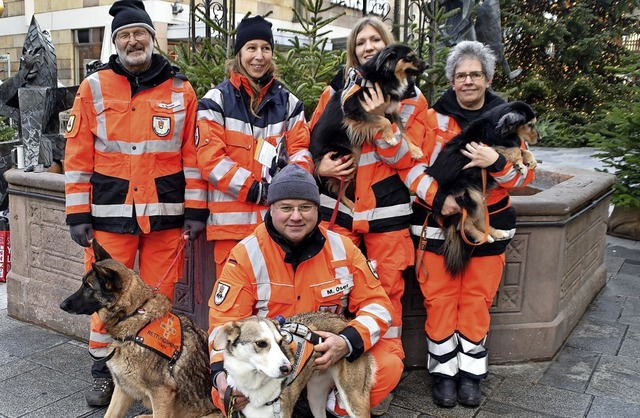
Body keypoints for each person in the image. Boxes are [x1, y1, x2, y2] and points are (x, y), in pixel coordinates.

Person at [64, 0, 208, 407]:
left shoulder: (182, 90)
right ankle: (104, 373)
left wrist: (196, 211)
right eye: (124, 35)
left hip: (165, 215)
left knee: (158, 301)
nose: (133, 41)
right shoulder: (94, 87)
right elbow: (77, 154)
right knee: (103, 299)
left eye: (139, 33)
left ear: (151, 38)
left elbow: (192, 157)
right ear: (117, 42)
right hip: (109, 214)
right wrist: (77, 213)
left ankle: (157, 369)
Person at [207, 163, 402, 417]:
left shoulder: (343, 248)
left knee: (388, 365)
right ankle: (286, 403)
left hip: (326, 356)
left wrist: (346, 342)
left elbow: (378, 306)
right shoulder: (246, 254)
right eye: (286, 208)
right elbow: (223, 327)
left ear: (317, 210)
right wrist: (222, 381)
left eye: (305, 207)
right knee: (224, 393)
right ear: (272, 209)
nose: (296, 216)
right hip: (270, 362)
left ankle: (332, 407)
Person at [404, 40, 536, 407]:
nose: (468, 82)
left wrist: (496, 161)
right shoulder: (431, 118)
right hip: (437, 225)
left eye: (475, 74)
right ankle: (444, 373)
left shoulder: (509, 117)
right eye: (461, 75)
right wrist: (438, 199)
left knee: (476, 300)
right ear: (451, 80)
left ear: (488, 77)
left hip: (490, 224)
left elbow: (525, 177)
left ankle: (471, 373)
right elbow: (410, 168)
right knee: (440, 299)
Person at [308, 16, 429, 360]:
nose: (368, 47)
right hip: (339, 208)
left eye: (375, 40)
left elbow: (408, 160)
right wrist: (319, 166)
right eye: (360, 42)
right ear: (353, 51)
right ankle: (332, 369)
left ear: (387, 45)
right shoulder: (337, 90)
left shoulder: (414, 100)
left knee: (386, 294)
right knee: (333, 291)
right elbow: (309, 136)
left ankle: (383, 374)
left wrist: (384, 123)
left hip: (386, 213)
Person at [196, 15, 313, 282]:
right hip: (231, 232)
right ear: (239, 53)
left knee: (276, 309)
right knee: (230, 314)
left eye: (265, 48)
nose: (258, 56)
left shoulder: (290, 103)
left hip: (277, 228)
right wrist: (256, 190)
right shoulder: (216, 101)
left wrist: (288, 185)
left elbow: (302, 152)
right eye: (251, 48)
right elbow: (210, 160)